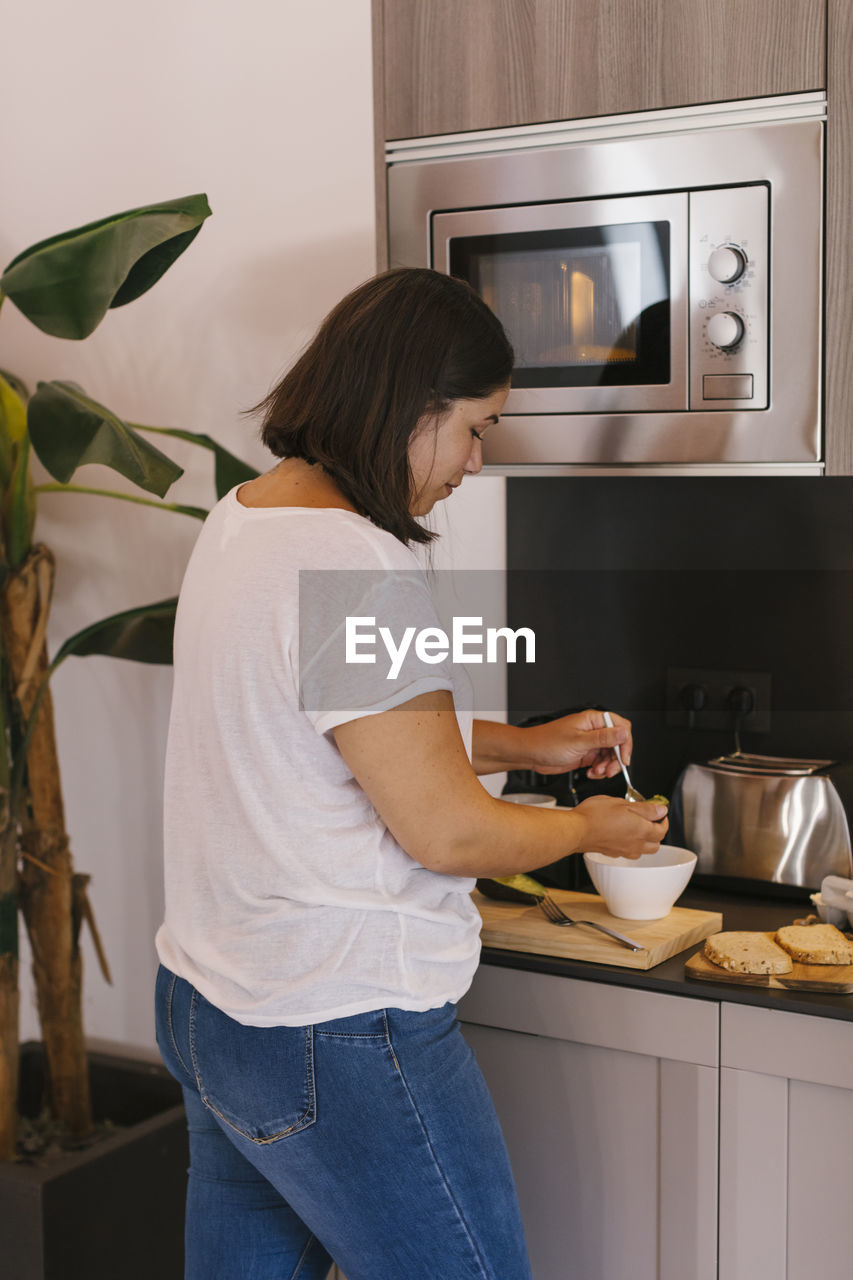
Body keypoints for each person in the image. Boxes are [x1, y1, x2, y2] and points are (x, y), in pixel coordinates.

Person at [154, 267, 668, 1280]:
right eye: (476, 426)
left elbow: (344, 728)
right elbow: (448, 833)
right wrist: (593, 828)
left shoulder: (248, 520)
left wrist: (531, 743)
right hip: (340, 1024)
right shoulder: (355, 564)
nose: (477, 460)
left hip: (217, 1006)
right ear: (408, 406)